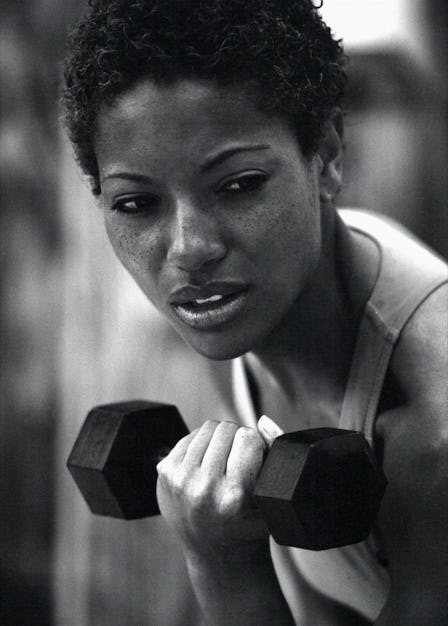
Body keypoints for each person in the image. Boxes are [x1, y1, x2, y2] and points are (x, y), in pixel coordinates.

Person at [62, 1, 448, 624]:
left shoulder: (432, 437)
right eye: (136, 203)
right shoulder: (245, 311)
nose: (191, 250)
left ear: (326, 156)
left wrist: (224, 566)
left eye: (238, 185)